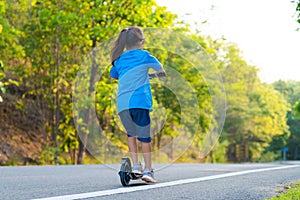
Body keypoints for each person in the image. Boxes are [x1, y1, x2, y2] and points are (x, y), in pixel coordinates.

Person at [110, 26, 165, 183]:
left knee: (131, 135)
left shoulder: (119, 60)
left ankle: (136, 166)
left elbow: (114, 75)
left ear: (125, 42)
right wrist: (153, 75)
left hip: (123, 104)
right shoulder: (145, 56)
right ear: (141, 42)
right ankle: (148, 170)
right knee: (144, 138)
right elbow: (161, 70)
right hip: (140, 102)